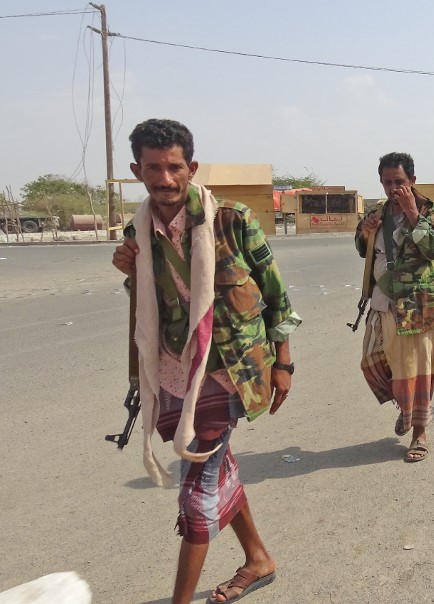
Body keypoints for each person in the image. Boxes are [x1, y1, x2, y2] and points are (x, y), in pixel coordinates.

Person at [111, 119, 301, 604]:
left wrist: (284, 363)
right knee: (218, 466)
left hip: (228, 370)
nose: (165, 178)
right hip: (175, 372)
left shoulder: (232, 220)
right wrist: (130, 271)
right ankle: (258, 557)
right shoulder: (138, 231)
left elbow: (277, 296)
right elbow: (150, 304)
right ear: (137, 170)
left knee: (197, 491)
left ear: (191, 168)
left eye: (174, 167)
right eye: (153, 168)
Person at [355, 152, 434, 463]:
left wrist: (412, 214)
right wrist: (364, 232)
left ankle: (419, 432)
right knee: (374, 361)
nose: (393, 188)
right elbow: (362, 249)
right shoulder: (377, 211)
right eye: (387, 182)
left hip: (416, 304)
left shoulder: (428, 209)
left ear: (412, 180)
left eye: (399, 181)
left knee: (417, 370)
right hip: (382, 301)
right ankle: (406, 408)